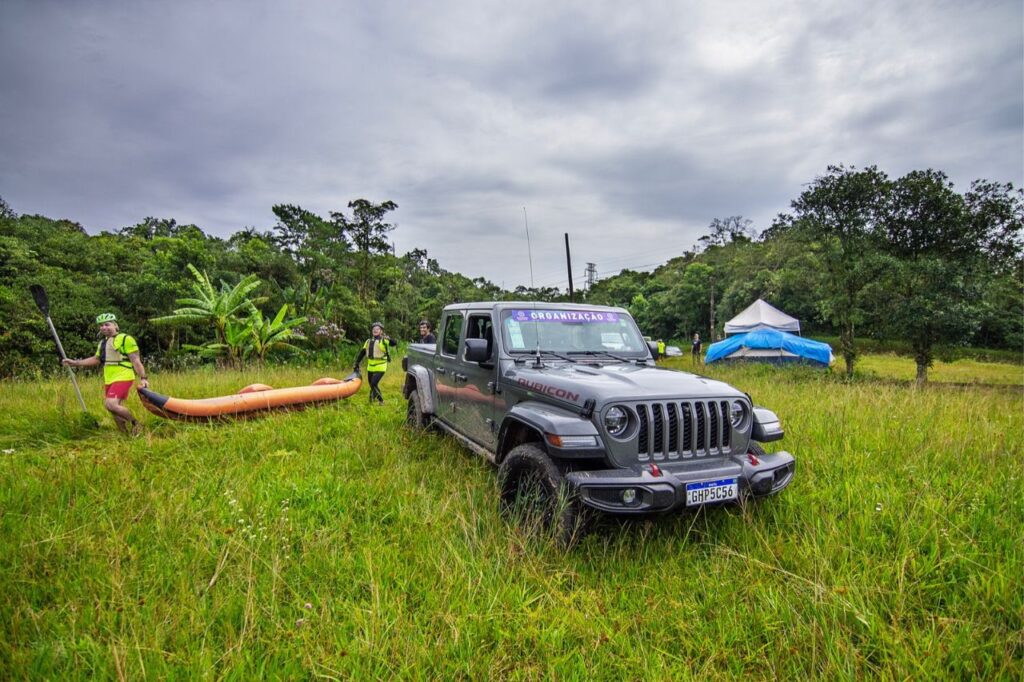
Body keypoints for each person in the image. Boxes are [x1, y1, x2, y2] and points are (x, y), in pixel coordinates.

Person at [63, 313, 148, 434]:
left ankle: (136, 424)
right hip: (109, 378)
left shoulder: (125, 339)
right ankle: (124, 435)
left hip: (124, 376)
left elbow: (136, 360)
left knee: (110, 404)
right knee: (113, 409)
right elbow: (96, 359)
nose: (104, 328)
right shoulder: (102, 343)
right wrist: (75, 363)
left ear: (115, 325)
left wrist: (143, 378)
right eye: (101, 326)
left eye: (107, 324)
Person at [353, 321, 394, 403]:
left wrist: (389, 339)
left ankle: (381, 401)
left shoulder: (384, 340)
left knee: (373, 383)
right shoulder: (368, 341)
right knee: (371, 384)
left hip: (381, 366)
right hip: (370, 366)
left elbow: (394, 343)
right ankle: (372, 397)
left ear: (381, 331)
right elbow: (362, 352)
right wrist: (357, 363)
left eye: (377, 329)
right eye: (374, 329)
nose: (375, 330)